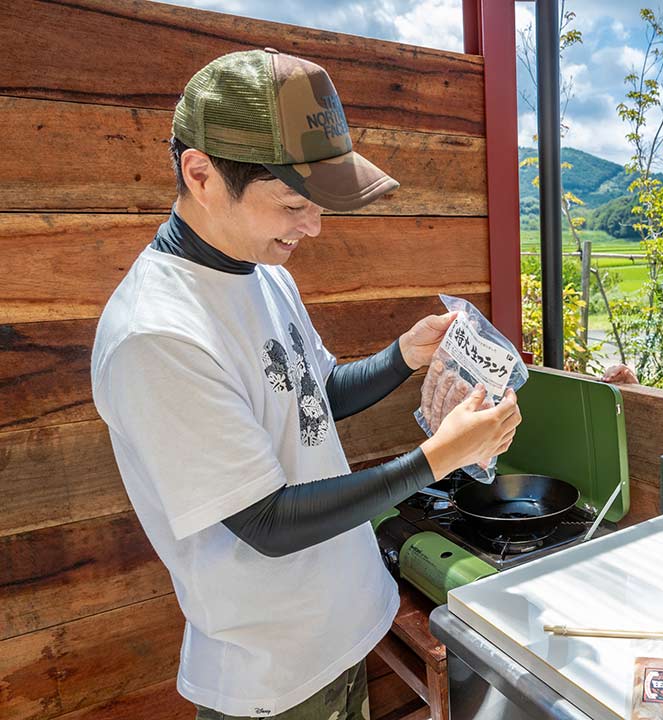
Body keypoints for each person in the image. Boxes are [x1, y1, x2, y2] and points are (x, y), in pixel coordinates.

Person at [90, 49, 520, 720]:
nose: (313, 227)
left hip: (340, 629)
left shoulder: (263, 273)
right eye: (293, 203)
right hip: (271, 676)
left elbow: (314, 394)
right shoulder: (157, 335)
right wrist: (439, 458)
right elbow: (266, 520)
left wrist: (403, 355)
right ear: (200, 173)